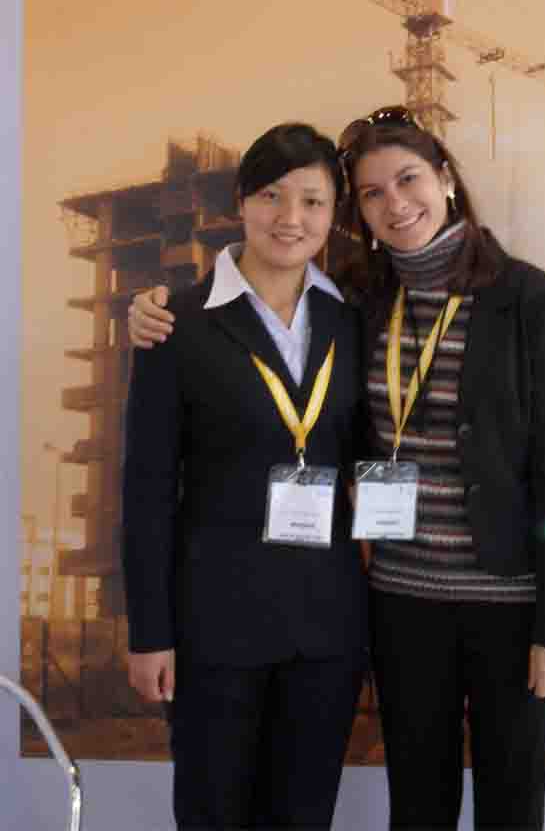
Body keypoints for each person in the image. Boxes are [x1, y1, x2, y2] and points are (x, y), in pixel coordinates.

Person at [131, 107, 545, 831]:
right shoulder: (366, 298)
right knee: (416, 808)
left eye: (408, 180)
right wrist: (150, 304)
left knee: (510, 806)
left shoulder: (526, 299)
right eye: (372, 193)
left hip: (505, 601)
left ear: (444, 178)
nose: (395, 204)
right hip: (399, 602)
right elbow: (158, 476)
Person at [123, 123, 368, 831]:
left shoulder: (353, 322)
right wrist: (149, 632)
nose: (291, 218)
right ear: (241, 201)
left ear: (333, 214)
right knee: (212, 814)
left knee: (304, 818)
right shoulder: (175, 323)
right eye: (271, 196)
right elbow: (147, 488)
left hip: (326, 629)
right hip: (214, 628)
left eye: (313, 201)